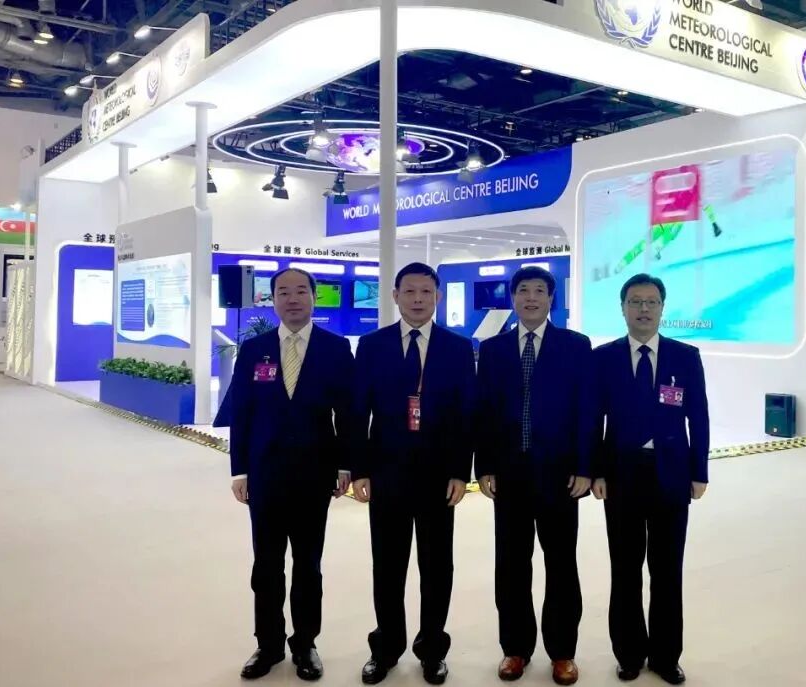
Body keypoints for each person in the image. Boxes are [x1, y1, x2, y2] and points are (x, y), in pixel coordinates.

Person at [351, 262, 476, 686]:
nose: (418, 299)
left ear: (437, 296)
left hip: (439, 477)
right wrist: (360, 469)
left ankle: (432, 650)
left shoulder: (458, 348)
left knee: (437, 567)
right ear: (395, 296)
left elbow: (466, 416)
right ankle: (385, 648)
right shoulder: (372, 346)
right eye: (410, 291)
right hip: (386, 473)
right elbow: (358, 412)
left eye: (426, 292)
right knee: (387, 566)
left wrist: (460, 472)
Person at [228, 268, 355, 681]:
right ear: (274, 300)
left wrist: (345, 465)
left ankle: (305, 643)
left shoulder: (336, 348)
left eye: (301, 291)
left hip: (315, 474)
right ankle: (267, 644)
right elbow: (242, 413)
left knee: (308, 565)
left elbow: (348, 413)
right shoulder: (254, 349)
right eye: (284, 292)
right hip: (264, 473)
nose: (293, 298)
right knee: (266, 564)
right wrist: (239, 469)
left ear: (314, 297)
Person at [475, 265, 597, 686]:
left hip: (560, 476)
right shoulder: (493, 349)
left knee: (561, 564)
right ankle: (515, 648)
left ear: (551, 299)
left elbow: (587, 411)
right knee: (511, 565)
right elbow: (483, 412)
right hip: (509, 476)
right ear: (513, 298)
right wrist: (484, 466)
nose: (530, 298)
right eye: (523, 290)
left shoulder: (575, 346)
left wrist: (586, 467)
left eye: (539, 291)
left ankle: (562, 652)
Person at [591, 274, 710, 685]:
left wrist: (699, 471)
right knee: (625, 570)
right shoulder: (604, 358)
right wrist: (597, 471)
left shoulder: (685, 356)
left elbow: (699, 417)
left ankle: (665, 656)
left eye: (651, 302)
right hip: (621, 476)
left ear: (662, 308)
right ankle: (628, 653)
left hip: (671, 475)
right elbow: (593, 420)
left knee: (667, 570)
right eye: (635, 301)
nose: (643, 309)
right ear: (623, 307)